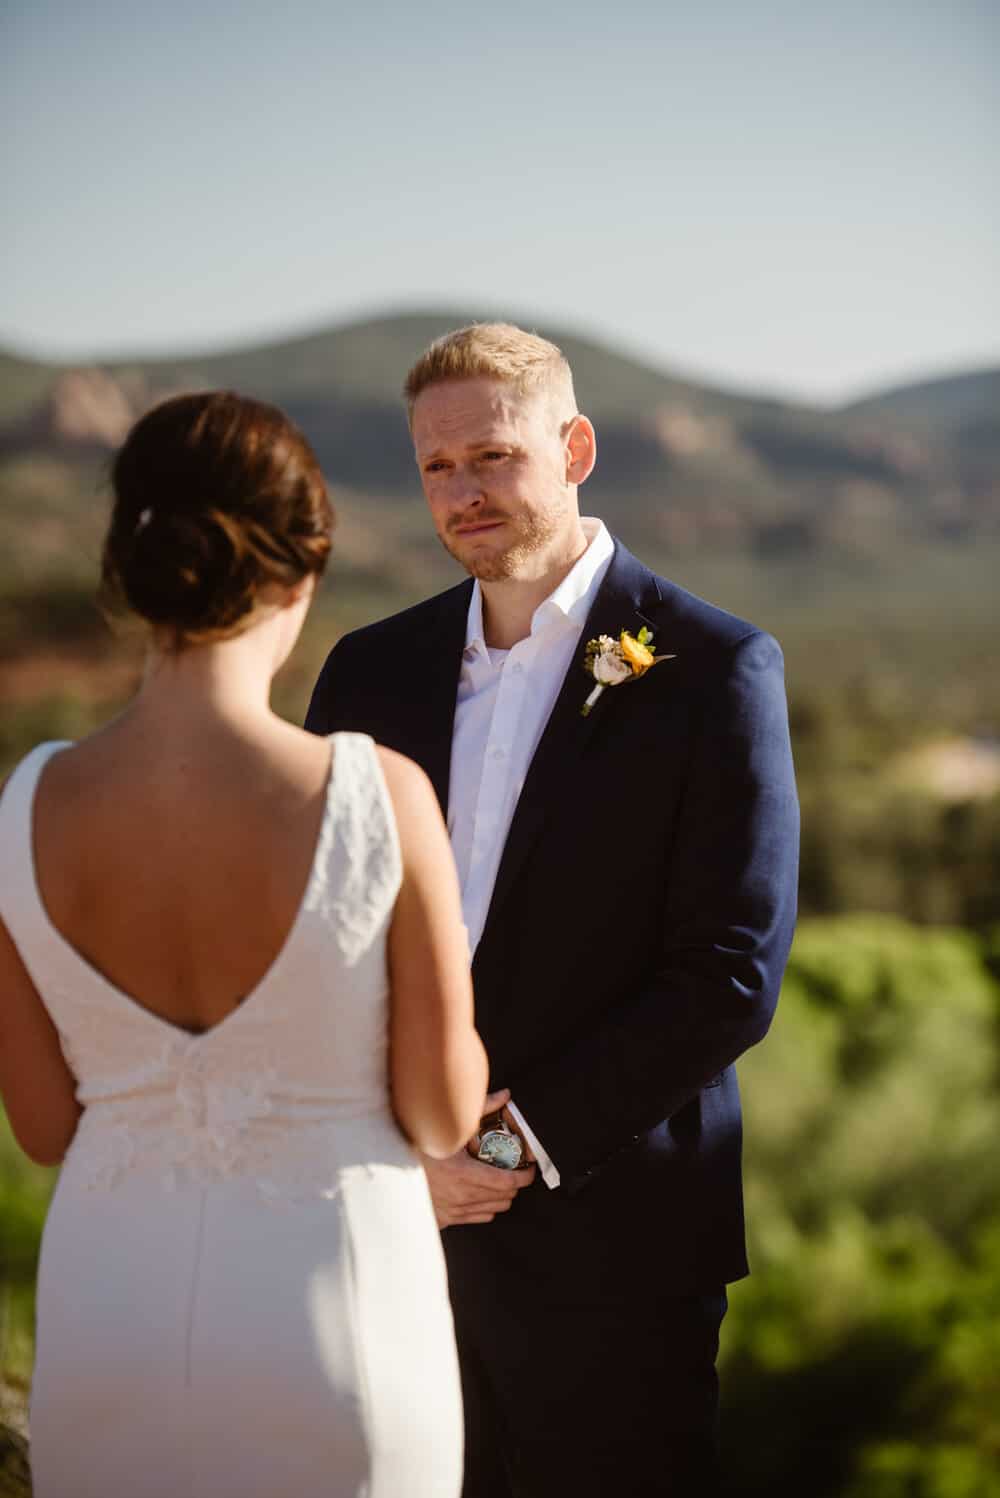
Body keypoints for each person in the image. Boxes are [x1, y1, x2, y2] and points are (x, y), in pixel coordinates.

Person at [305, 323, 800, 1496]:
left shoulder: (714, 668)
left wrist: (503, 1143)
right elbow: (316, 939)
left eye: (491, 456)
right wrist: (389, 1151)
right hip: (395, 1231)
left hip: (616, 1247)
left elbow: (730, 969)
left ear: (573, 445)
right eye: (436, 467)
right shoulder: (366, 672)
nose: (462, 492)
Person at [0, 391, 489, 1498]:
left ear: (132, 569)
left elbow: (40, 1127)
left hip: (107, 1321)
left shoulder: (24, 808)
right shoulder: (377, 795)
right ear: (303, 570)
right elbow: (442, 1112)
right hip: (337, 1323)